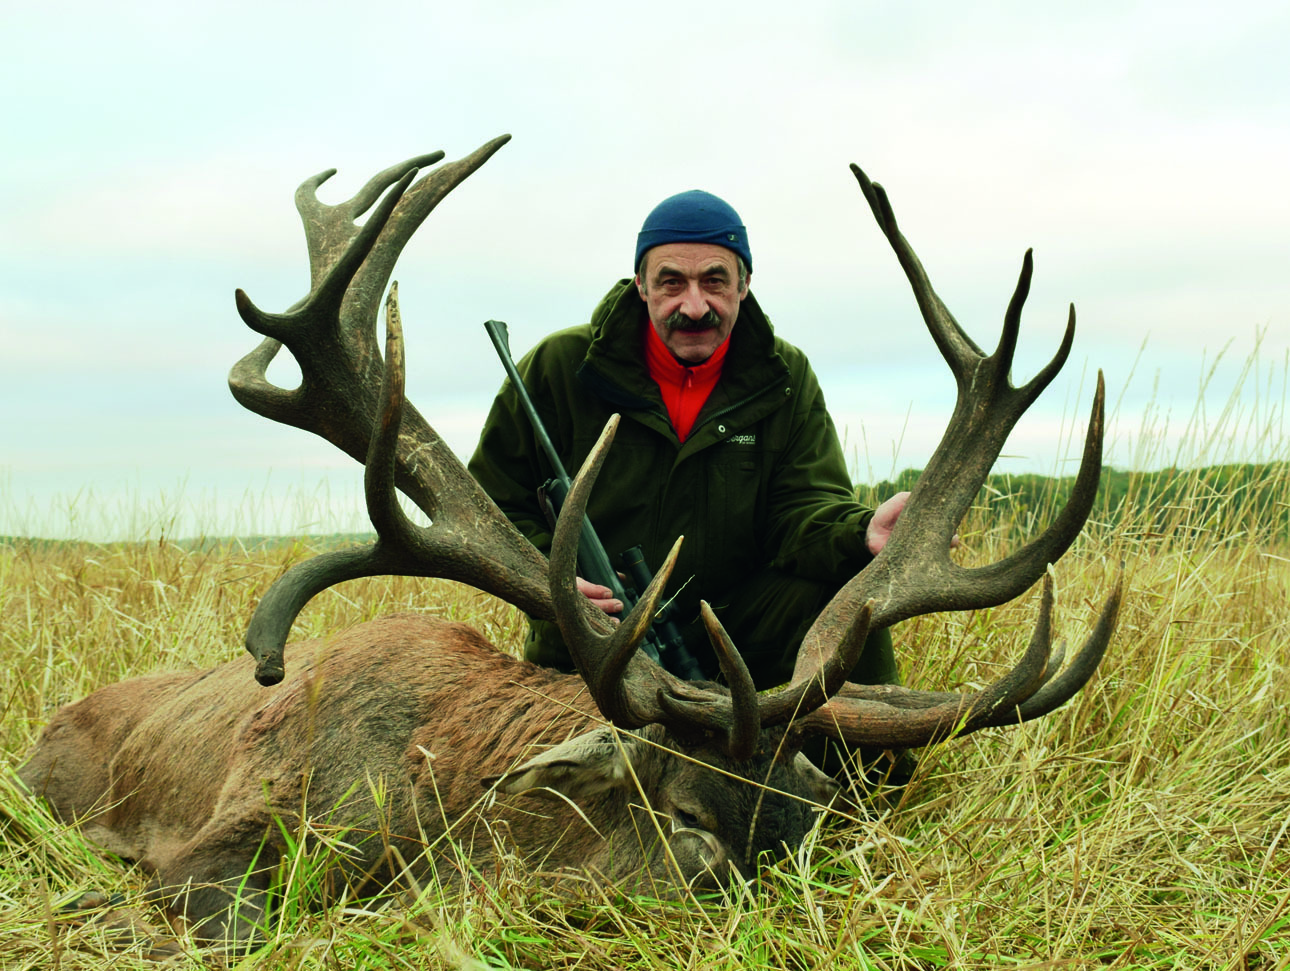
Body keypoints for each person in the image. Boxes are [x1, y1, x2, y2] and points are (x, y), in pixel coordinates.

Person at [468, 189, 910, 705]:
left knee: (849, 594)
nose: (694, 306)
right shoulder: (556, 368)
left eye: (715, 281)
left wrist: (861, 531)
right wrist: (548, 581)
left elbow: (801, 508)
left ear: (744, 285)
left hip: (731, 628)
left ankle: (869, 780)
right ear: (640, 284)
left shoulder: (785, 377)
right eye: (671, 282)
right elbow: (488, 508)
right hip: (593, 627)